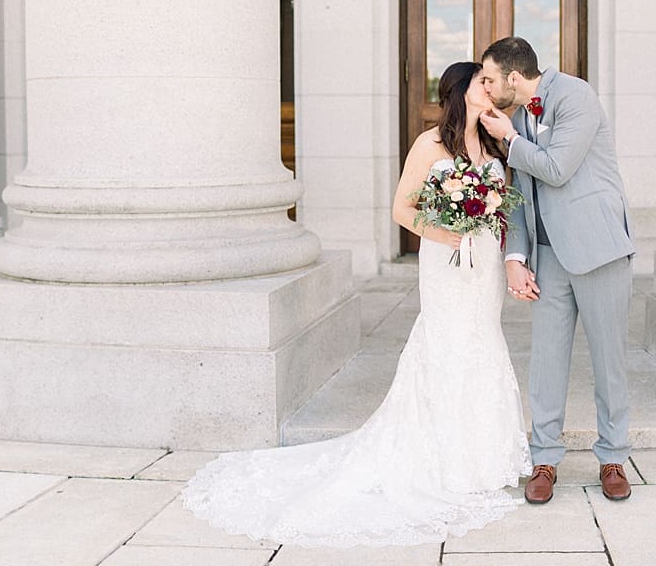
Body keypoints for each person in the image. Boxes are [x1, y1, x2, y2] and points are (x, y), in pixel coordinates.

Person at [181, 61, 531, 547]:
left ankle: (482, 459)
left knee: (483, 343)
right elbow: (402, 209)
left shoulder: (494, 143)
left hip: (484, 267)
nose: (490, 88)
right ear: (460, 90)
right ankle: (444, 461)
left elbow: (504, 204)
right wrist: (448, 234)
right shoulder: (430, 144)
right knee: (447, 347)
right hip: (446, 262)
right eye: (481, 82)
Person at [478, 36, 635, 505]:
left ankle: (612, 457)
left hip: (598, 249)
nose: (485, 89)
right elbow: (520, 193)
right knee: (546, 363)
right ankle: (544, 457)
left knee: (609, 363)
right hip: (548, 260)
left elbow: (558, 168)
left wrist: (509, 139)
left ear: (513, 77)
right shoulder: (517, 118)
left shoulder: (576, 96)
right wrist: (516, 257)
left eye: (488, 79)